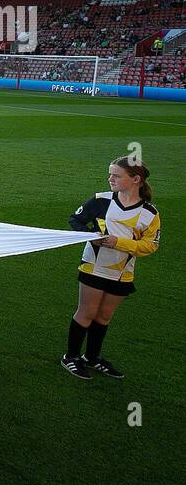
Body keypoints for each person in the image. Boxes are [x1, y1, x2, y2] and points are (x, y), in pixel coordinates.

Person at [61, 156, 160, 380]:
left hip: (123, 273)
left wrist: (118, 242)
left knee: (104, 316)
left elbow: (150, 246)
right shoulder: (100, 200)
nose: (110, 179)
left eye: (116, 175)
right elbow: (75, 220)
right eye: (110, 174)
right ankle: (71, 357)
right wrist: (90, 236)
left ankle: (92, 358)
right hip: (93, 267)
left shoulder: (150, 214)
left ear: (136, 179)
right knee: (86, 313)